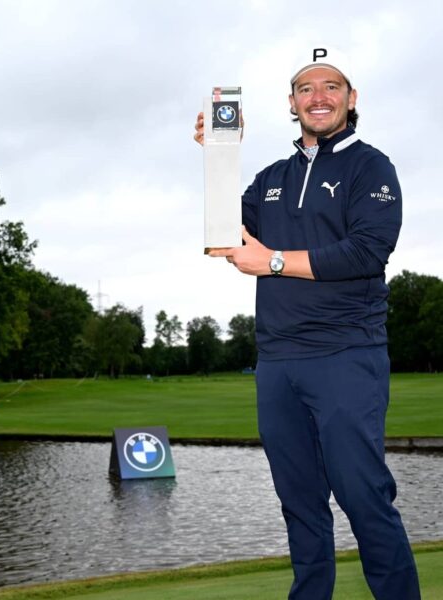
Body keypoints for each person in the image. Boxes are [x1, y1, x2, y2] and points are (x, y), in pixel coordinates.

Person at [194, 46, 421, 600]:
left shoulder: (370, 165)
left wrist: (273, 261)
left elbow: (366, 252)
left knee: (363, 495)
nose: (318, 97)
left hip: (346, 355)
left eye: (331, 87)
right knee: (298, 501)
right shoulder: (272, 176)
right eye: (305, 89)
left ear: (351, 98)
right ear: (291, 104)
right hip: (277, 361)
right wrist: (218, 157)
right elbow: (224, 234)